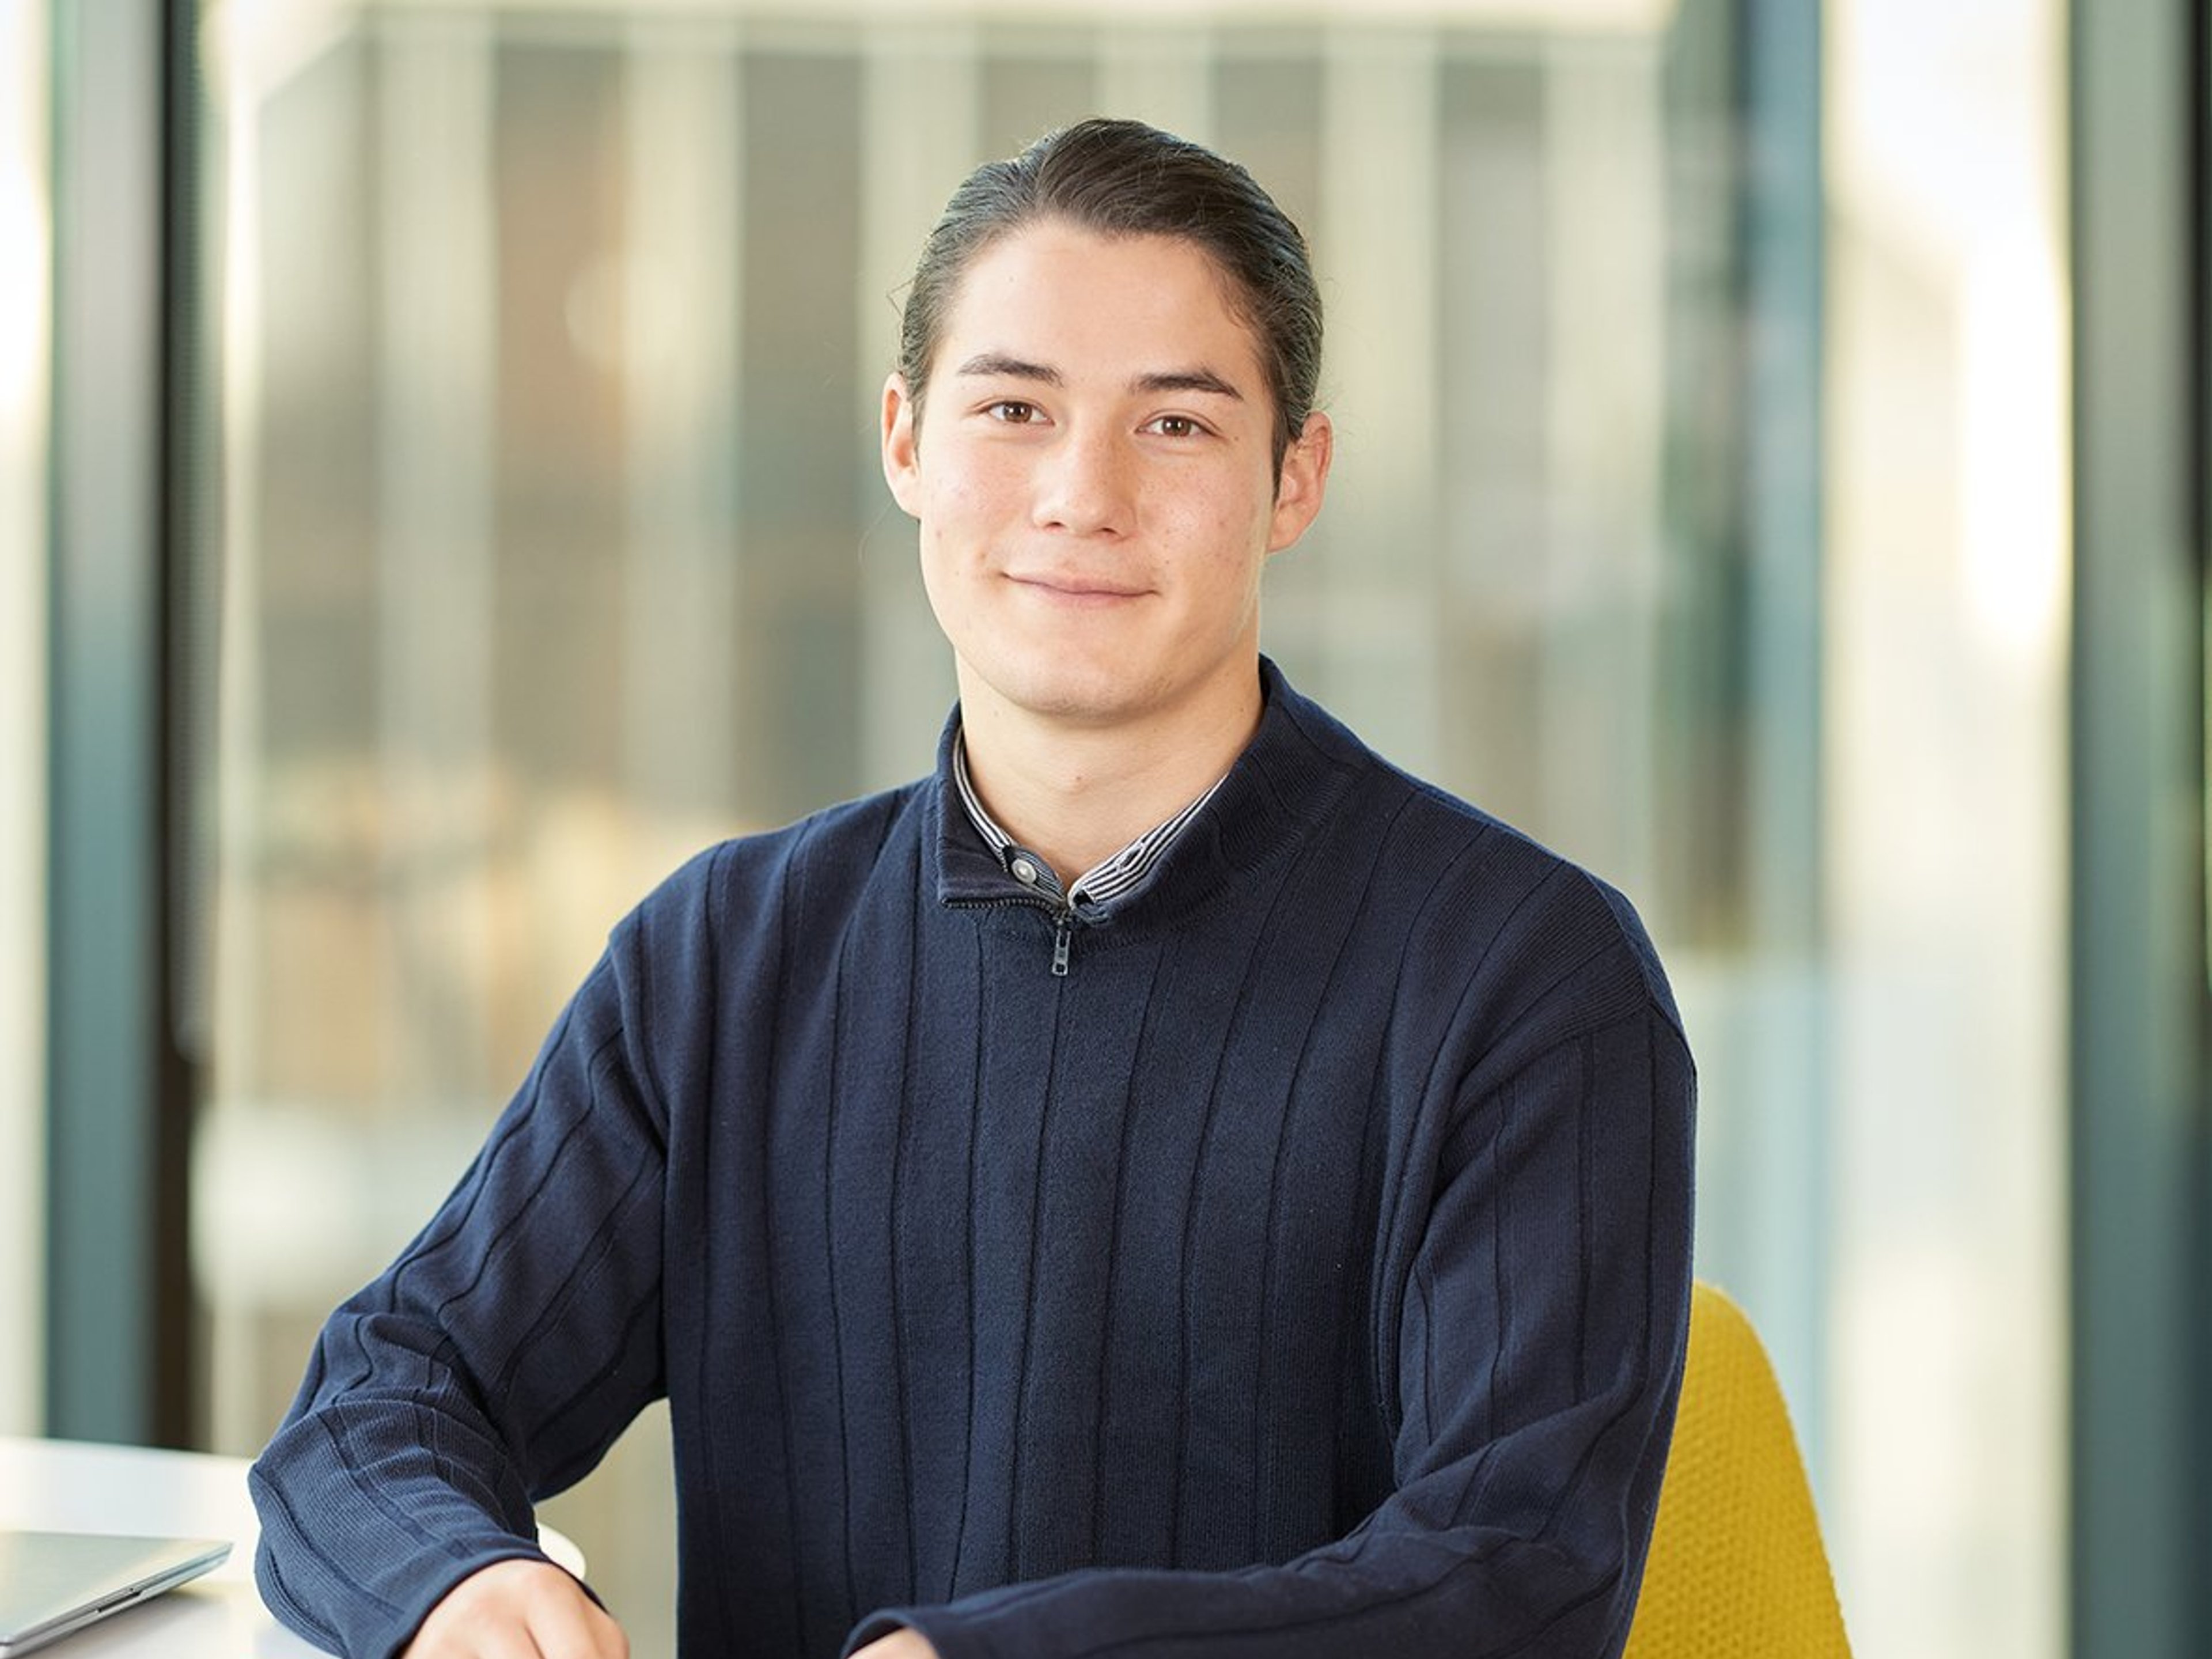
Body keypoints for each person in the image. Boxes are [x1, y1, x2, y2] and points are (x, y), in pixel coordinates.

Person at [251, 116, 1694, 1659]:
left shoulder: (1528, 983)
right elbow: (386, 1394)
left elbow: (1515, 1577)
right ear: (905, 441)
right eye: (1013, 407)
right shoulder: (730, 960)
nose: (1082, 496)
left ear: (1297, 477)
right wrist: (458, 1580)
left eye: (1177, 427)